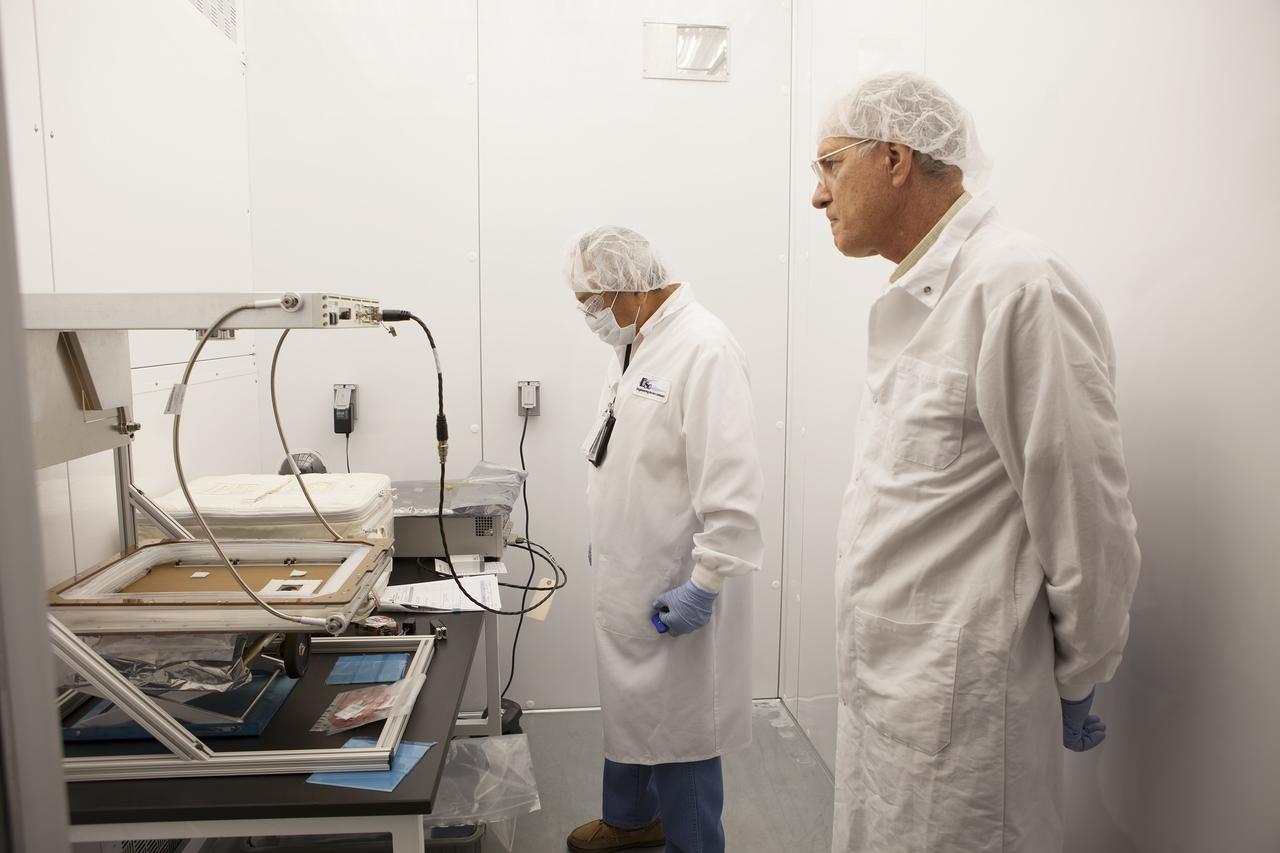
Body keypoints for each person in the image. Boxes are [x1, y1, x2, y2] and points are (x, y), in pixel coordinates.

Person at [810, 72, 1141, 852]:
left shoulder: (1017, 285)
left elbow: (1084, 509)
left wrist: (1082, 667)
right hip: (889, 688)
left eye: (828, 166)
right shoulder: (918, 295)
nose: (818, 197)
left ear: (894, 158)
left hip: (963, 711)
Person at [563, 226, 764, 853]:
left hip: (678, 585)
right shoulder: (636, 344)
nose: (588, 316)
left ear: (631, 287)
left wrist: (703, 586)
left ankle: (693, 844)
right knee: (629, 710)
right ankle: (629, 821)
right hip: (628, 573)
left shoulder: (704, 349)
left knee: (682, 734)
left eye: (592, 301)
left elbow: (732, 489)